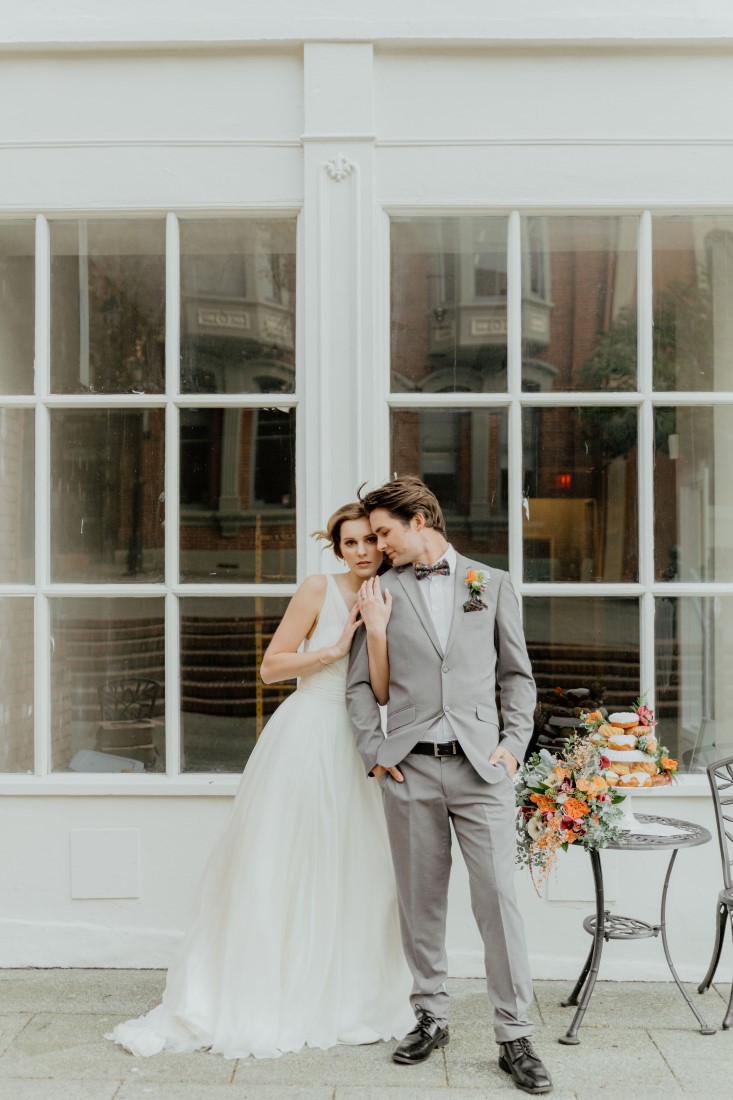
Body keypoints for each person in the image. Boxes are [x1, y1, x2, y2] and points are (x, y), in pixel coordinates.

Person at [106, 502, 413, 1059]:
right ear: (337, 548)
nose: (363, 551)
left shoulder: (393, 593)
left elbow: (386, 691)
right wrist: (336, 648)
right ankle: (269, 988)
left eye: (371, 540)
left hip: (358, 744)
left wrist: (381, 633)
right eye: (351, 543)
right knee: (283, 863)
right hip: (307, 736)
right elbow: (271, 666)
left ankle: (347, 996)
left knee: (358, 866)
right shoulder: (319, 589)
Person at [346, 476, 552, 1095]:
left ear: (421, 519)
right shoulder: (379, 590)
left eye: (385, 533)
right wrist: (374, 749)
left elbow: (519, 676)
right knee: (420, 901)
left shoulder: (490, 584)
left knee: (497, 904)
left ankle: (514, 1034)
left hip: (483, 771)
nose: (377, 545)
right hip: (410, 768)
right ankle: (431, 1015)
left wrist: (514, 746)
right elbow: (359, 686)